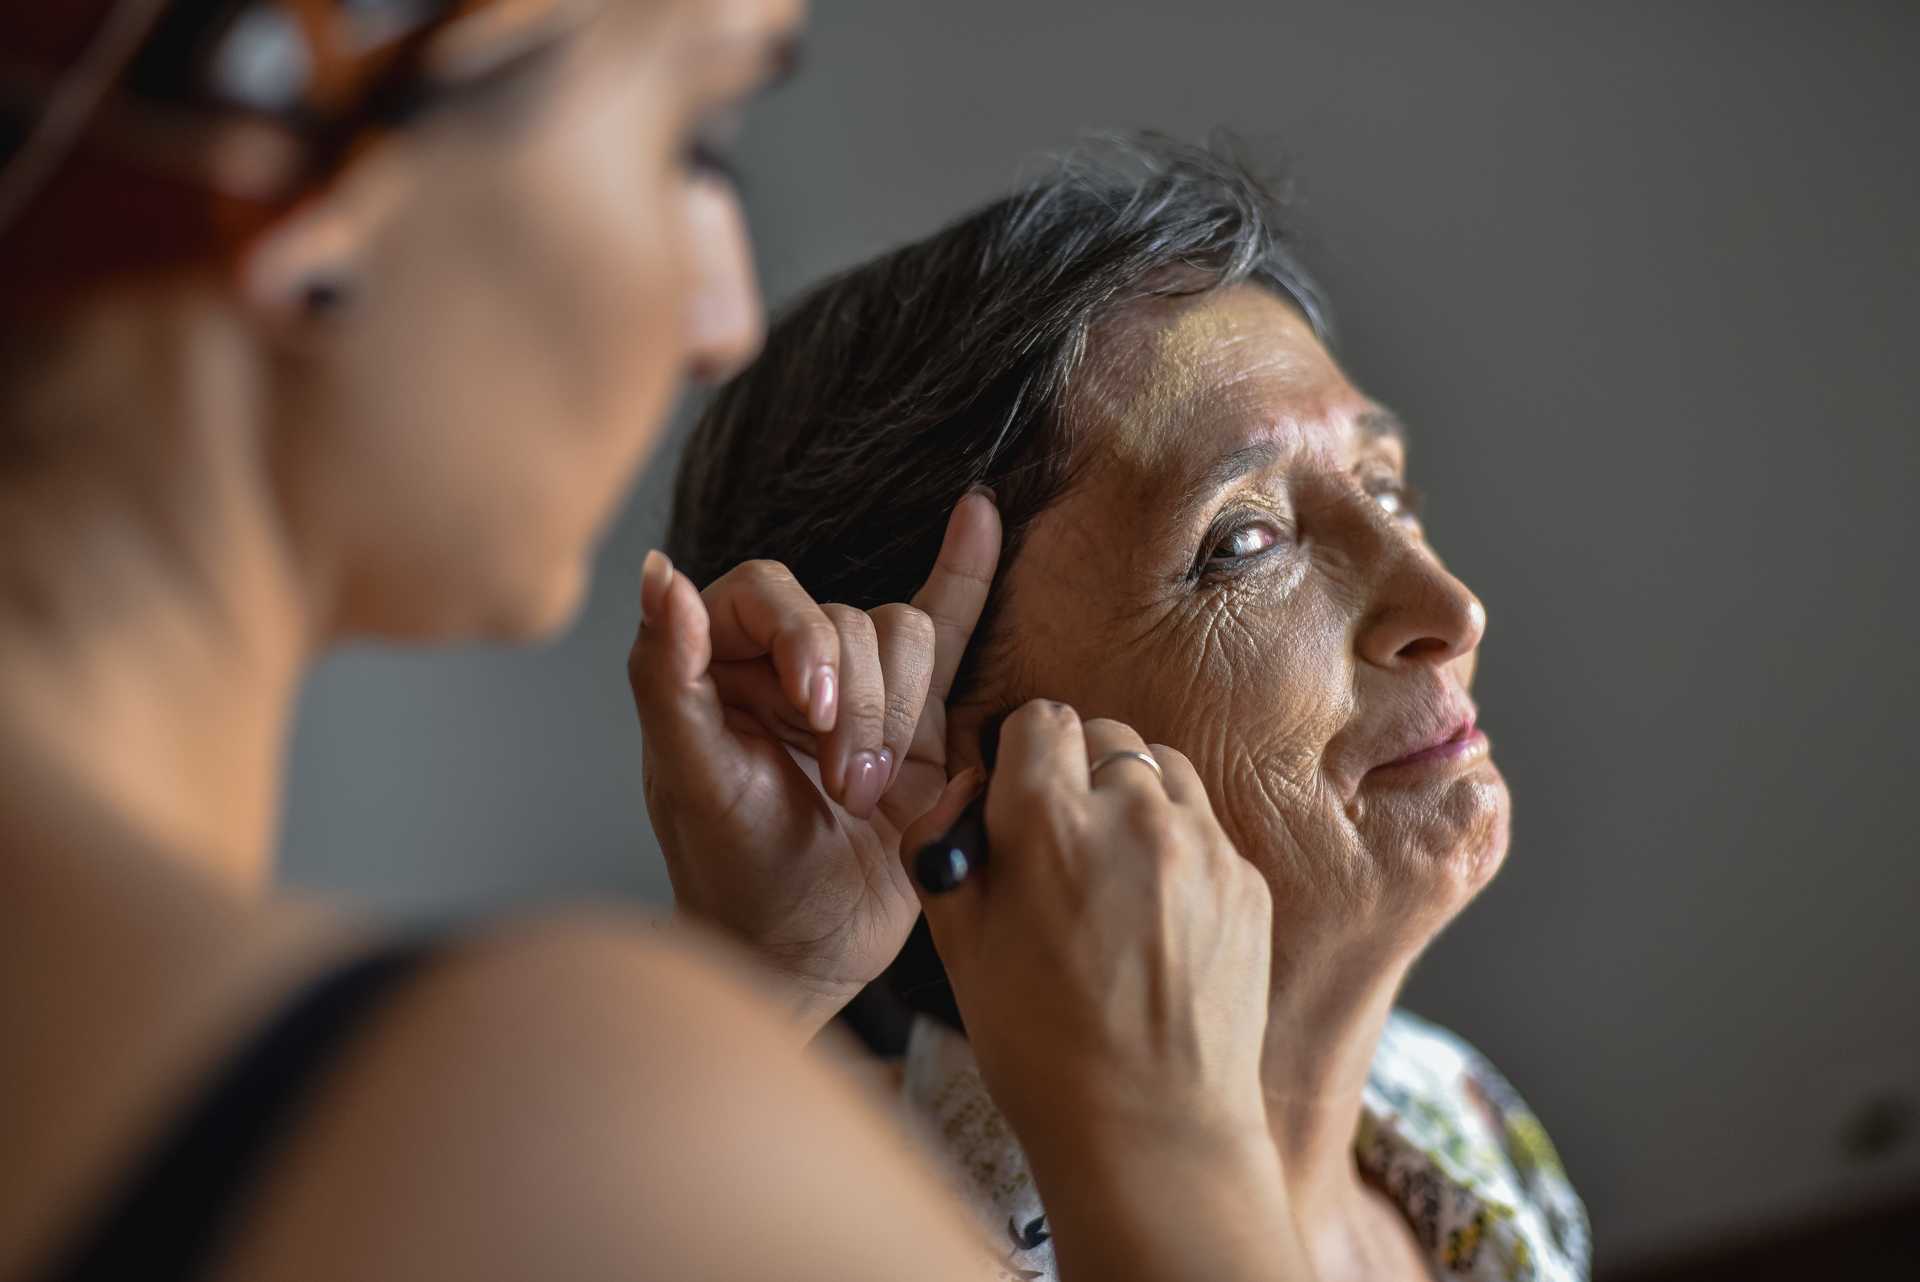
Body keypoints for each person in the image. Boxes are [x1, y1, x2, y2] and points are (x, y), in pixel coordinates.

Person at [1, 5, 1301, 1281]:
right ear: (293, 174)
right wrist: (1173, 1152)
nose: (724, 316)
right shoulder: (525, 1121)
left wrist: (757, 984)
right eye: (698, 136)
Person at [643, 134, 1594, 1282]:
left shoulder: (1450, 1106)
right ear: (947, 754)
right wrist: (766, 970)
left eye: (1385, 487)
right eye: (1243, 543)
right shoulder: (871, 1250)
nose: (1450, 608)